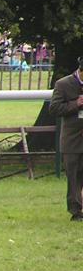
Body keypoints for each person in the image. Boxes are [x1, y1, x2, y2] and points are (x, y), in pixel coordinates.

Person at [49, 57, 83, 222]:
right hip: (72, 139)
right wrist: (75, 103)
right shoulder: (63, 84)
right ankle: (76, 211)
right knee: (74, 175)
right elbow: (54, 108)